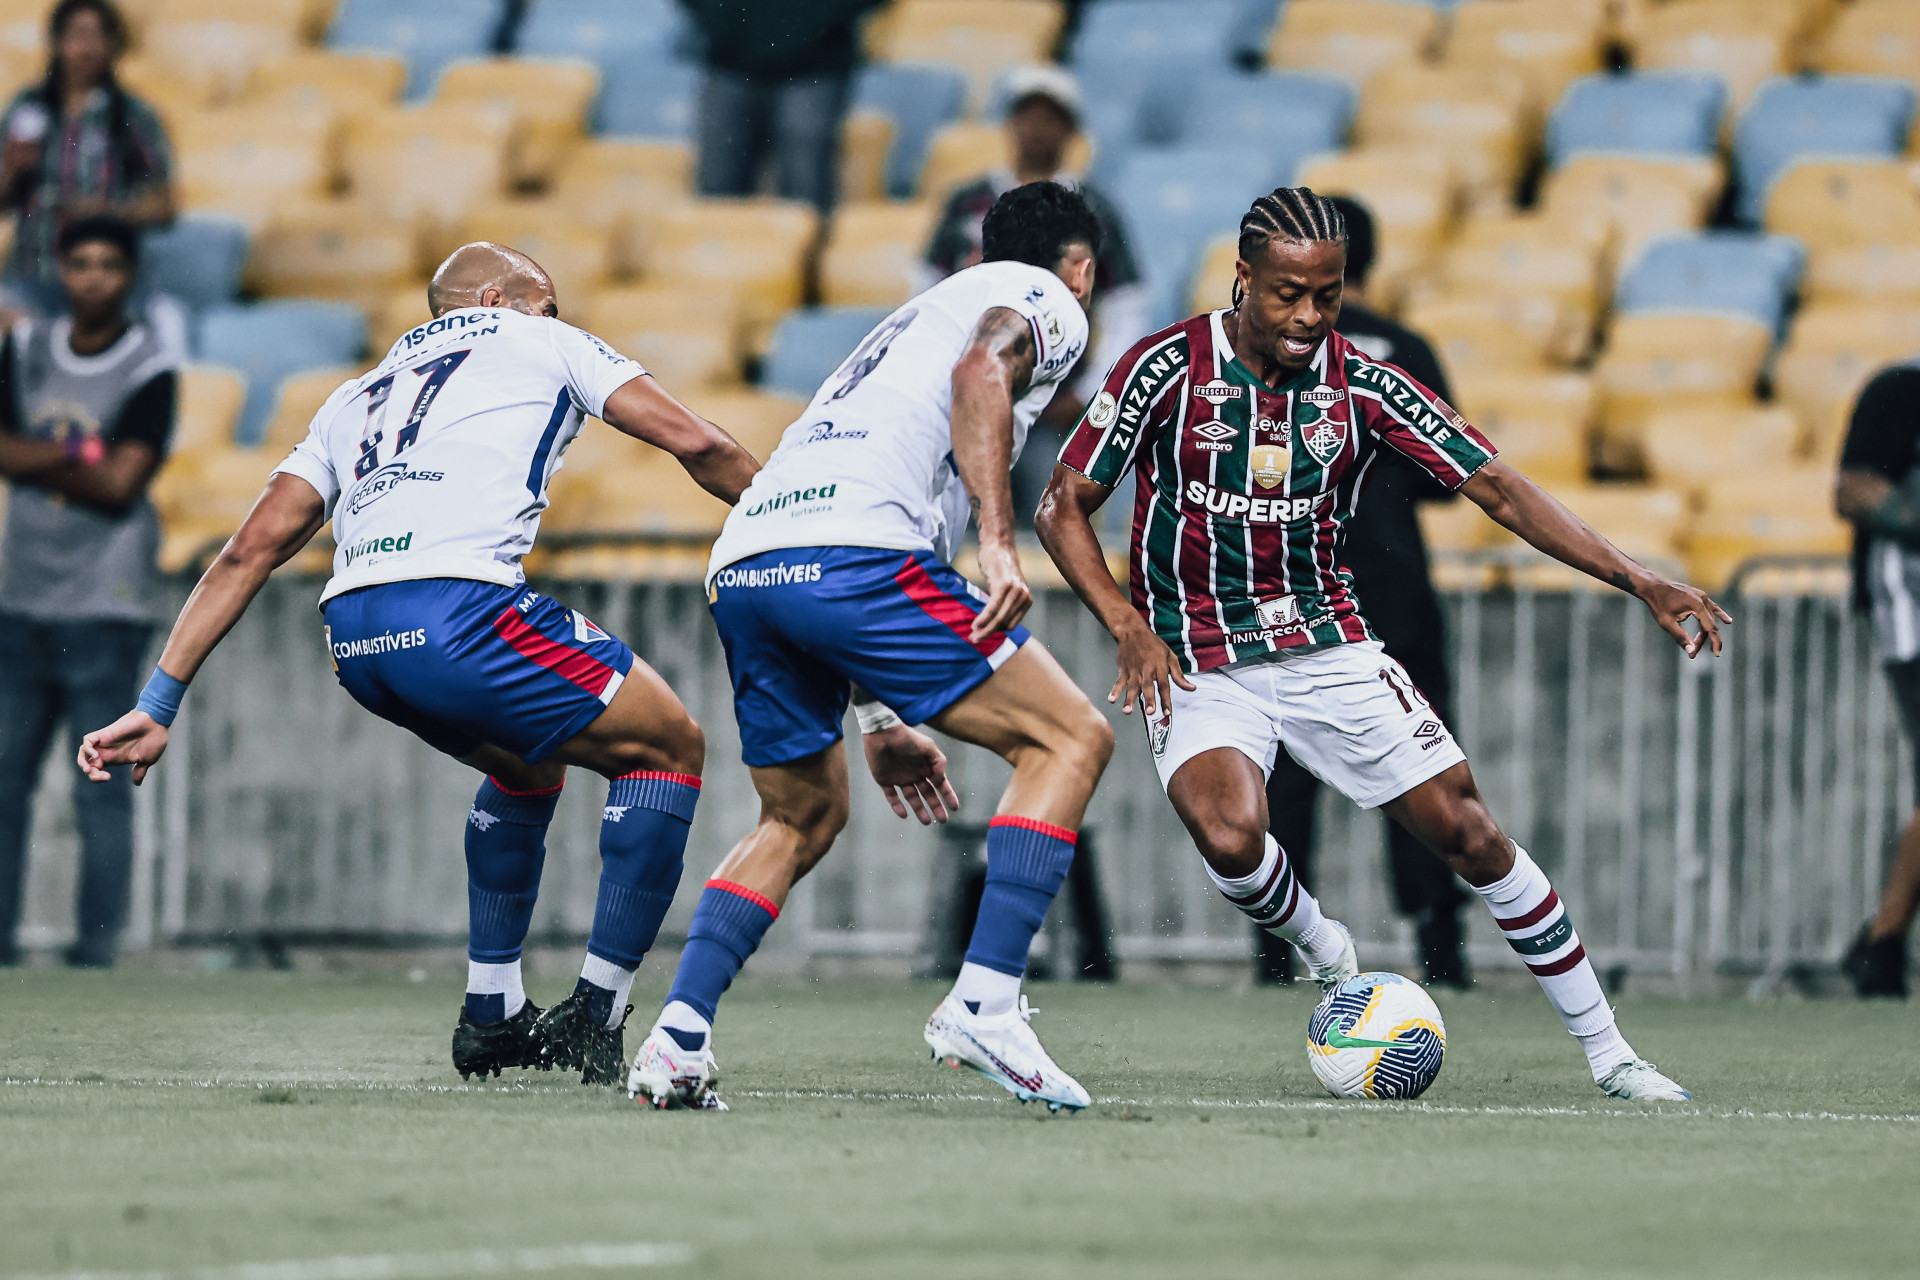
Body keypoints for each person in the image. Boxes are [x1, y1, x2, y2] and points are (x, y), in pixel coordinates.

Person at [1036, 186, 1730, 1102]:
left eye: (1326, 294)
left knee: (1471, 834)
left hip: (1330, 647)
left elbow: (1502, 491)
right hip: (1197, 654)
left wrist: (1637, 575)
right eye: (1288, 293)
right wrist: (1129, 626)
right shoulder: (1164, 367)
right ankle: (1326, 947)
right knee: (1233, 837)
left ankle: (1612, 1055)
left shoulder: (1364, 383)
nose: (1308, 316)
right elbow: (1061, 508)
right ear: (1244, 278)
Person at [75, 243, 761, 1084]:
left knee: (525, 769)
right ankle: (598, 1010)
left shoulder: (352, 396)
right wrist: (781, 515)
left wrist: (159, 701)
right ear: (503, 296)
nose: (557, 316)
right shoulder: (541, 339)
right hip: (461, 612)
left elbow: (248, 549)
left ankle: (491, 1011)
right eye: (549, 303)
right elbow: (696, 442)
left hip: (357, 640)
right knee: (671, 748)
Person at [625, 182, 1112, 1113]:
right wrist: (1004, 547)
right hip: (853, 557)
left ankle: (678, 1038)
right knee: (1068, 738)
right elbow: (984, 377)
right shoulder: (1045, 299)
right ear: (1081, 269)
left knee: (798, 817)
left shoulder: (904, 323)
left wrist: (882, 713)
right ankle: (986, 1000)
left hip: (751, 561)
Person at [1258, 194, 1472, 989]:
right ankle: (1441, 950)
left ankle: (1277, 953)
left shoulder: (1271, 348)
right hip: (1395, 589)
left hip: (1294, 593)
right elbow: (1450, 478)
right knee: (1419, 771)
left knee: (1284, 773)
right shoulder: (1405, 348)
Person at [0, 214, 178, 968]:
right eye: (80, 262)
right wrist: (82, 448)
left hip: (107, 604)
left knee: (99, 791)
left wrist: (34, 458)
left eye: (109, 262)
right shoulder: (25, 347)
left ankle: (95, 954)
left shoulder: (150, 365)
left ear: (129, 274)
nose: (94, 276)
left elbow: (120, 483)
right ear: (62, 271)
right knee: (5, 787)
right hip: (21, 597)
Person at [0, 0, 174, 318]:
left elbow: (164, 207)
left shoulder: (134, 116)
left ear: (114, 45)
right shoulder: (24, 109)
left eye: (98, 37)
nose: (87, 48)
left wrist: (104, 212)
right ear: (55, 41)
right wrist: (11, 170)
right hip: (32, 276)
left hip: (106, 287)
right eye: (77, 36)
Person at [1835, 360, 1920, 998]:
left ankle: (1882, 943)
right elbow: (1853, 490)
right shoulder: (1899, 391)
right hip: (1911, 612)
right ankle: (1883, 942)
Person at [681, 0, 885, 212]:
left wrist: (815, 23)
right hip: (728, 63)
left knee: (804, 194)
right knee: (717, 194)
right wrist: (719, 19)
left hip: (815, 67)